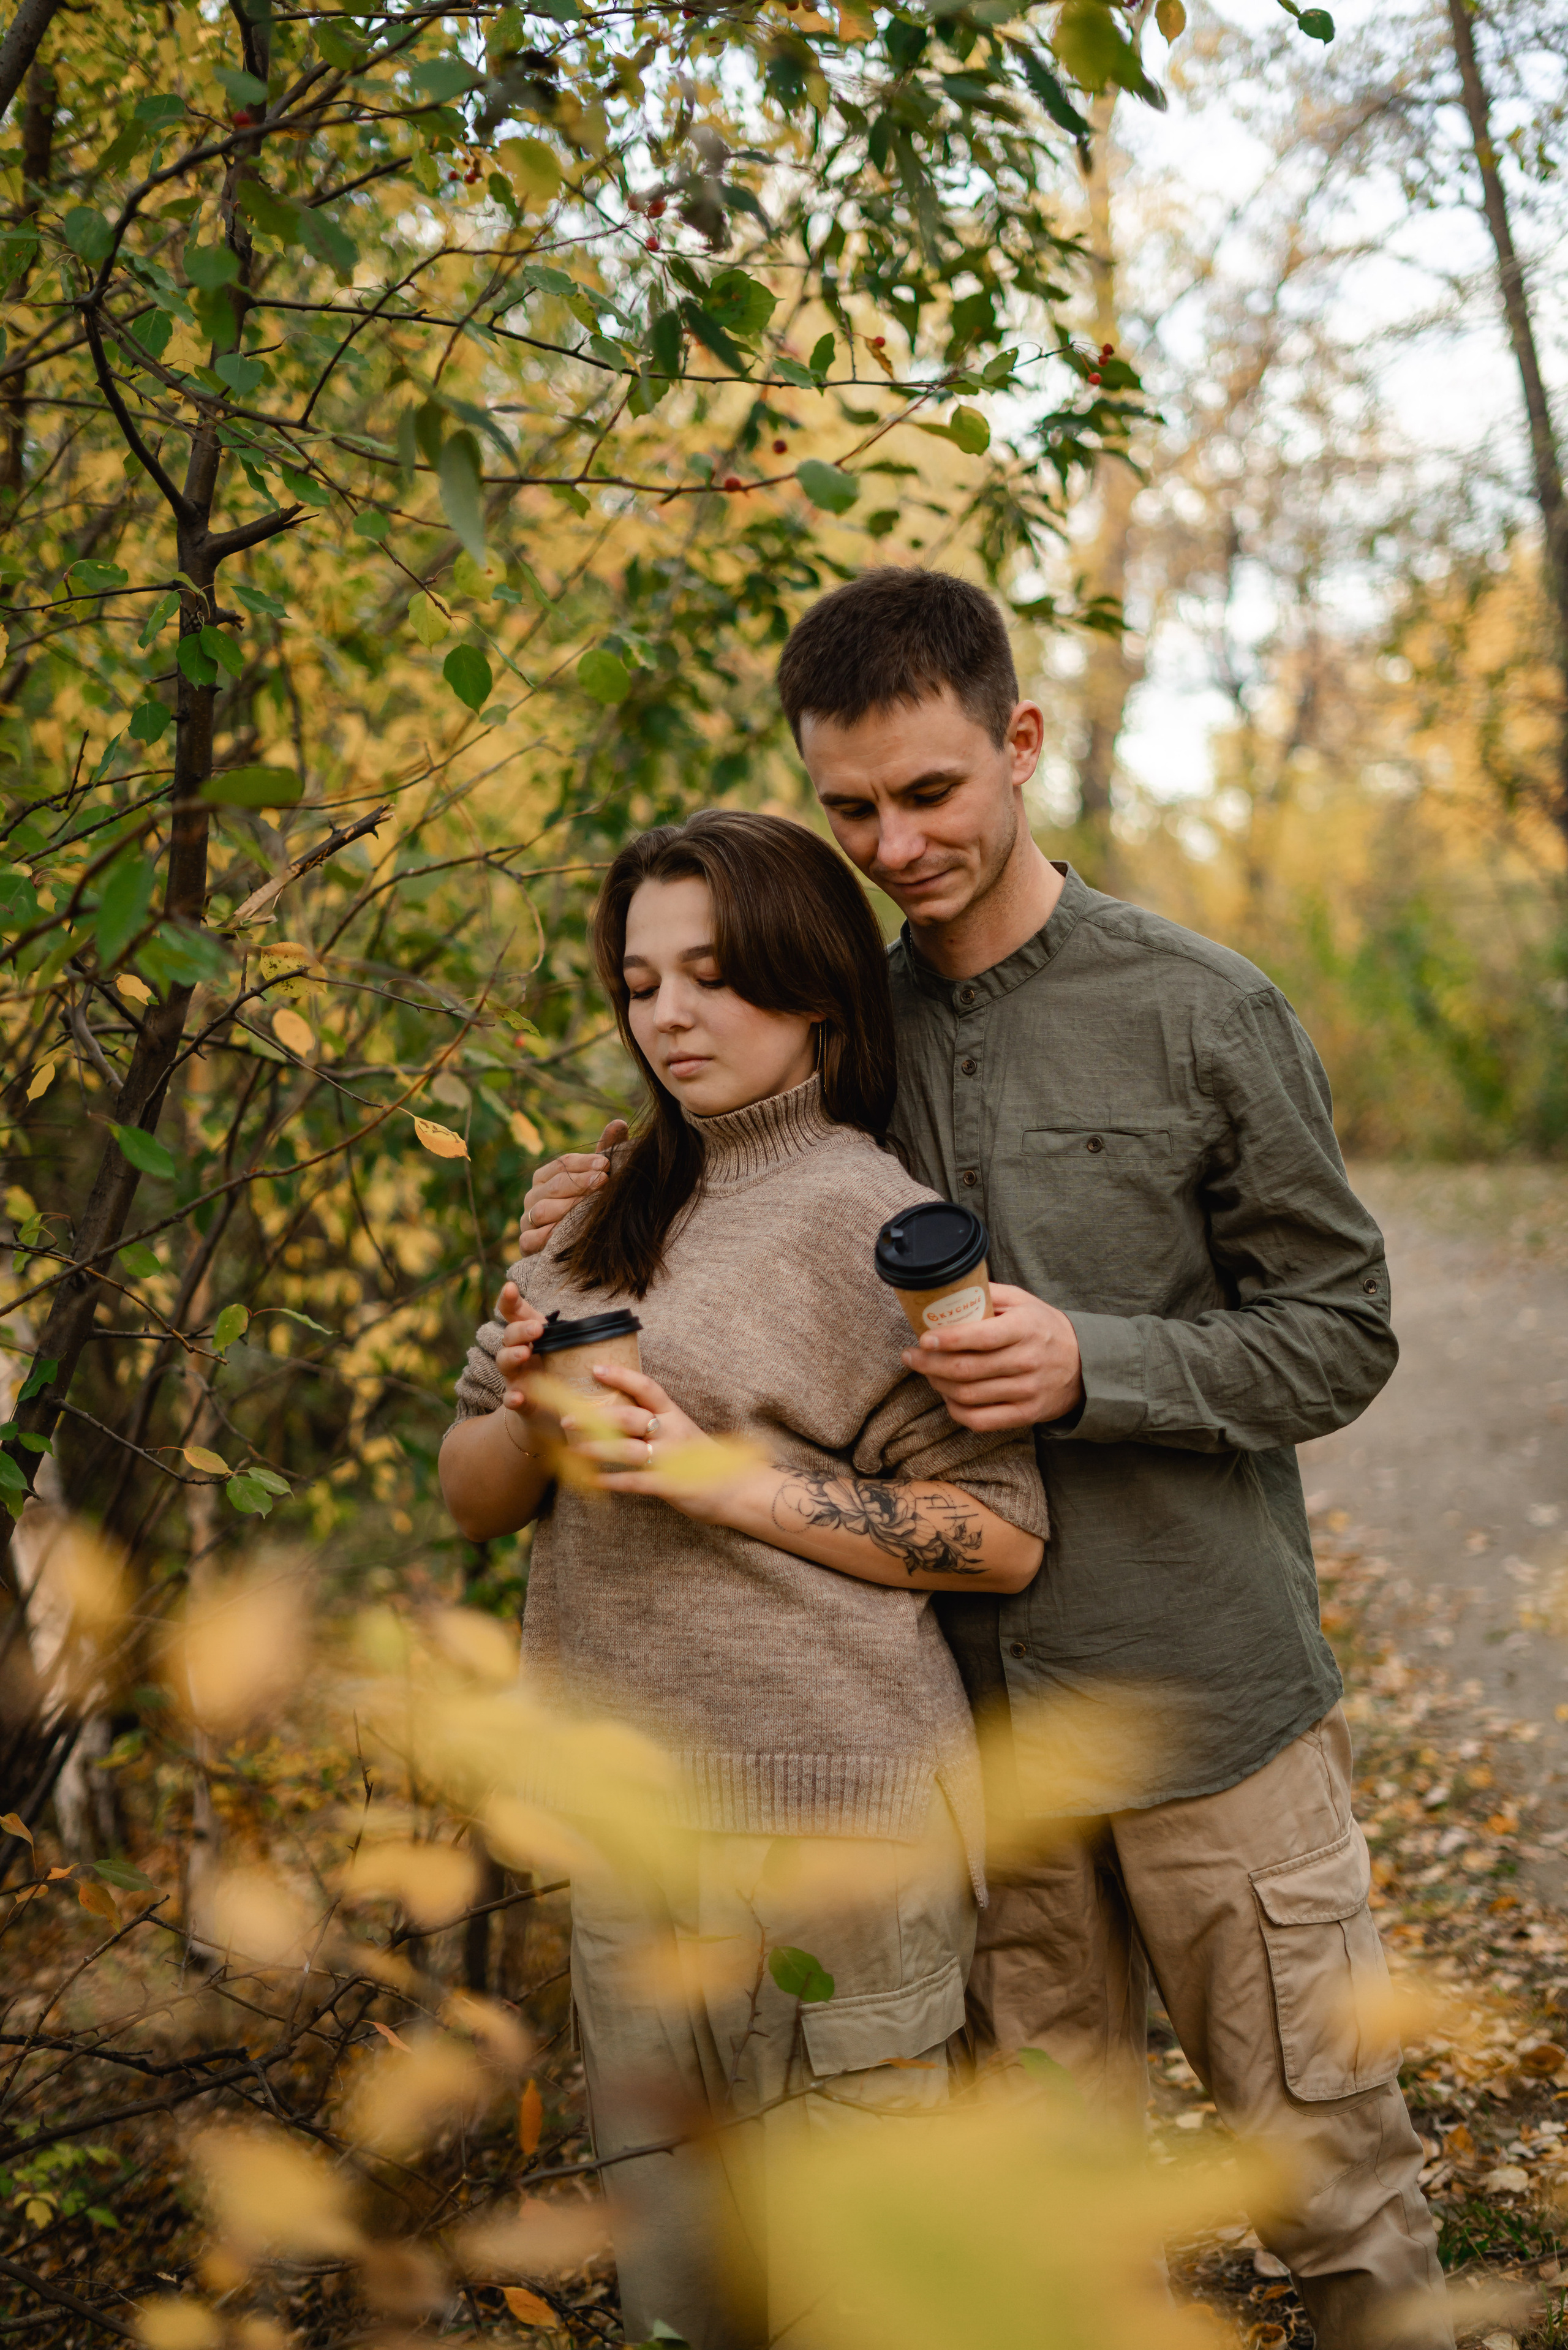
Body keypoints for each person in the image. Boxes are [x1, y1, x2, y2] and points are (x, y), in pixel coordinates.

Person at [519, 570, 1450, 2350]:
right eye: (851, 804)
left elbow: (1343, 1329)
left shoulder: (1203, 1008)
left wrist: (1096, 1356)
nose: (892, 839)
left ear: (1020, 743)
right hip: (971, 1738)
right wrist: (593, 1206)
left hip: (1204, 1697)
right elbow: (733, 1193)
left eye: (930, 792)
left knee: (1333, 2175)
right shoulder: (836, 1030)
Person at [440, 808, 1047, 2350]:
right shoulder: (588, 1209)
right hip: (628, 1827)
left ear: (814, 990)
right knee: (681, 2297)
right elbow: (467, 1496)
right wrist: (527, 1409)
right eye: (642, 984)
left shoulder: (873, 1218)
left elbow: (999, 1530)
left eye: (712, 974)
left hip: (834, 1832)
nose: (671, 1015)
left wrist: (718, 1473)